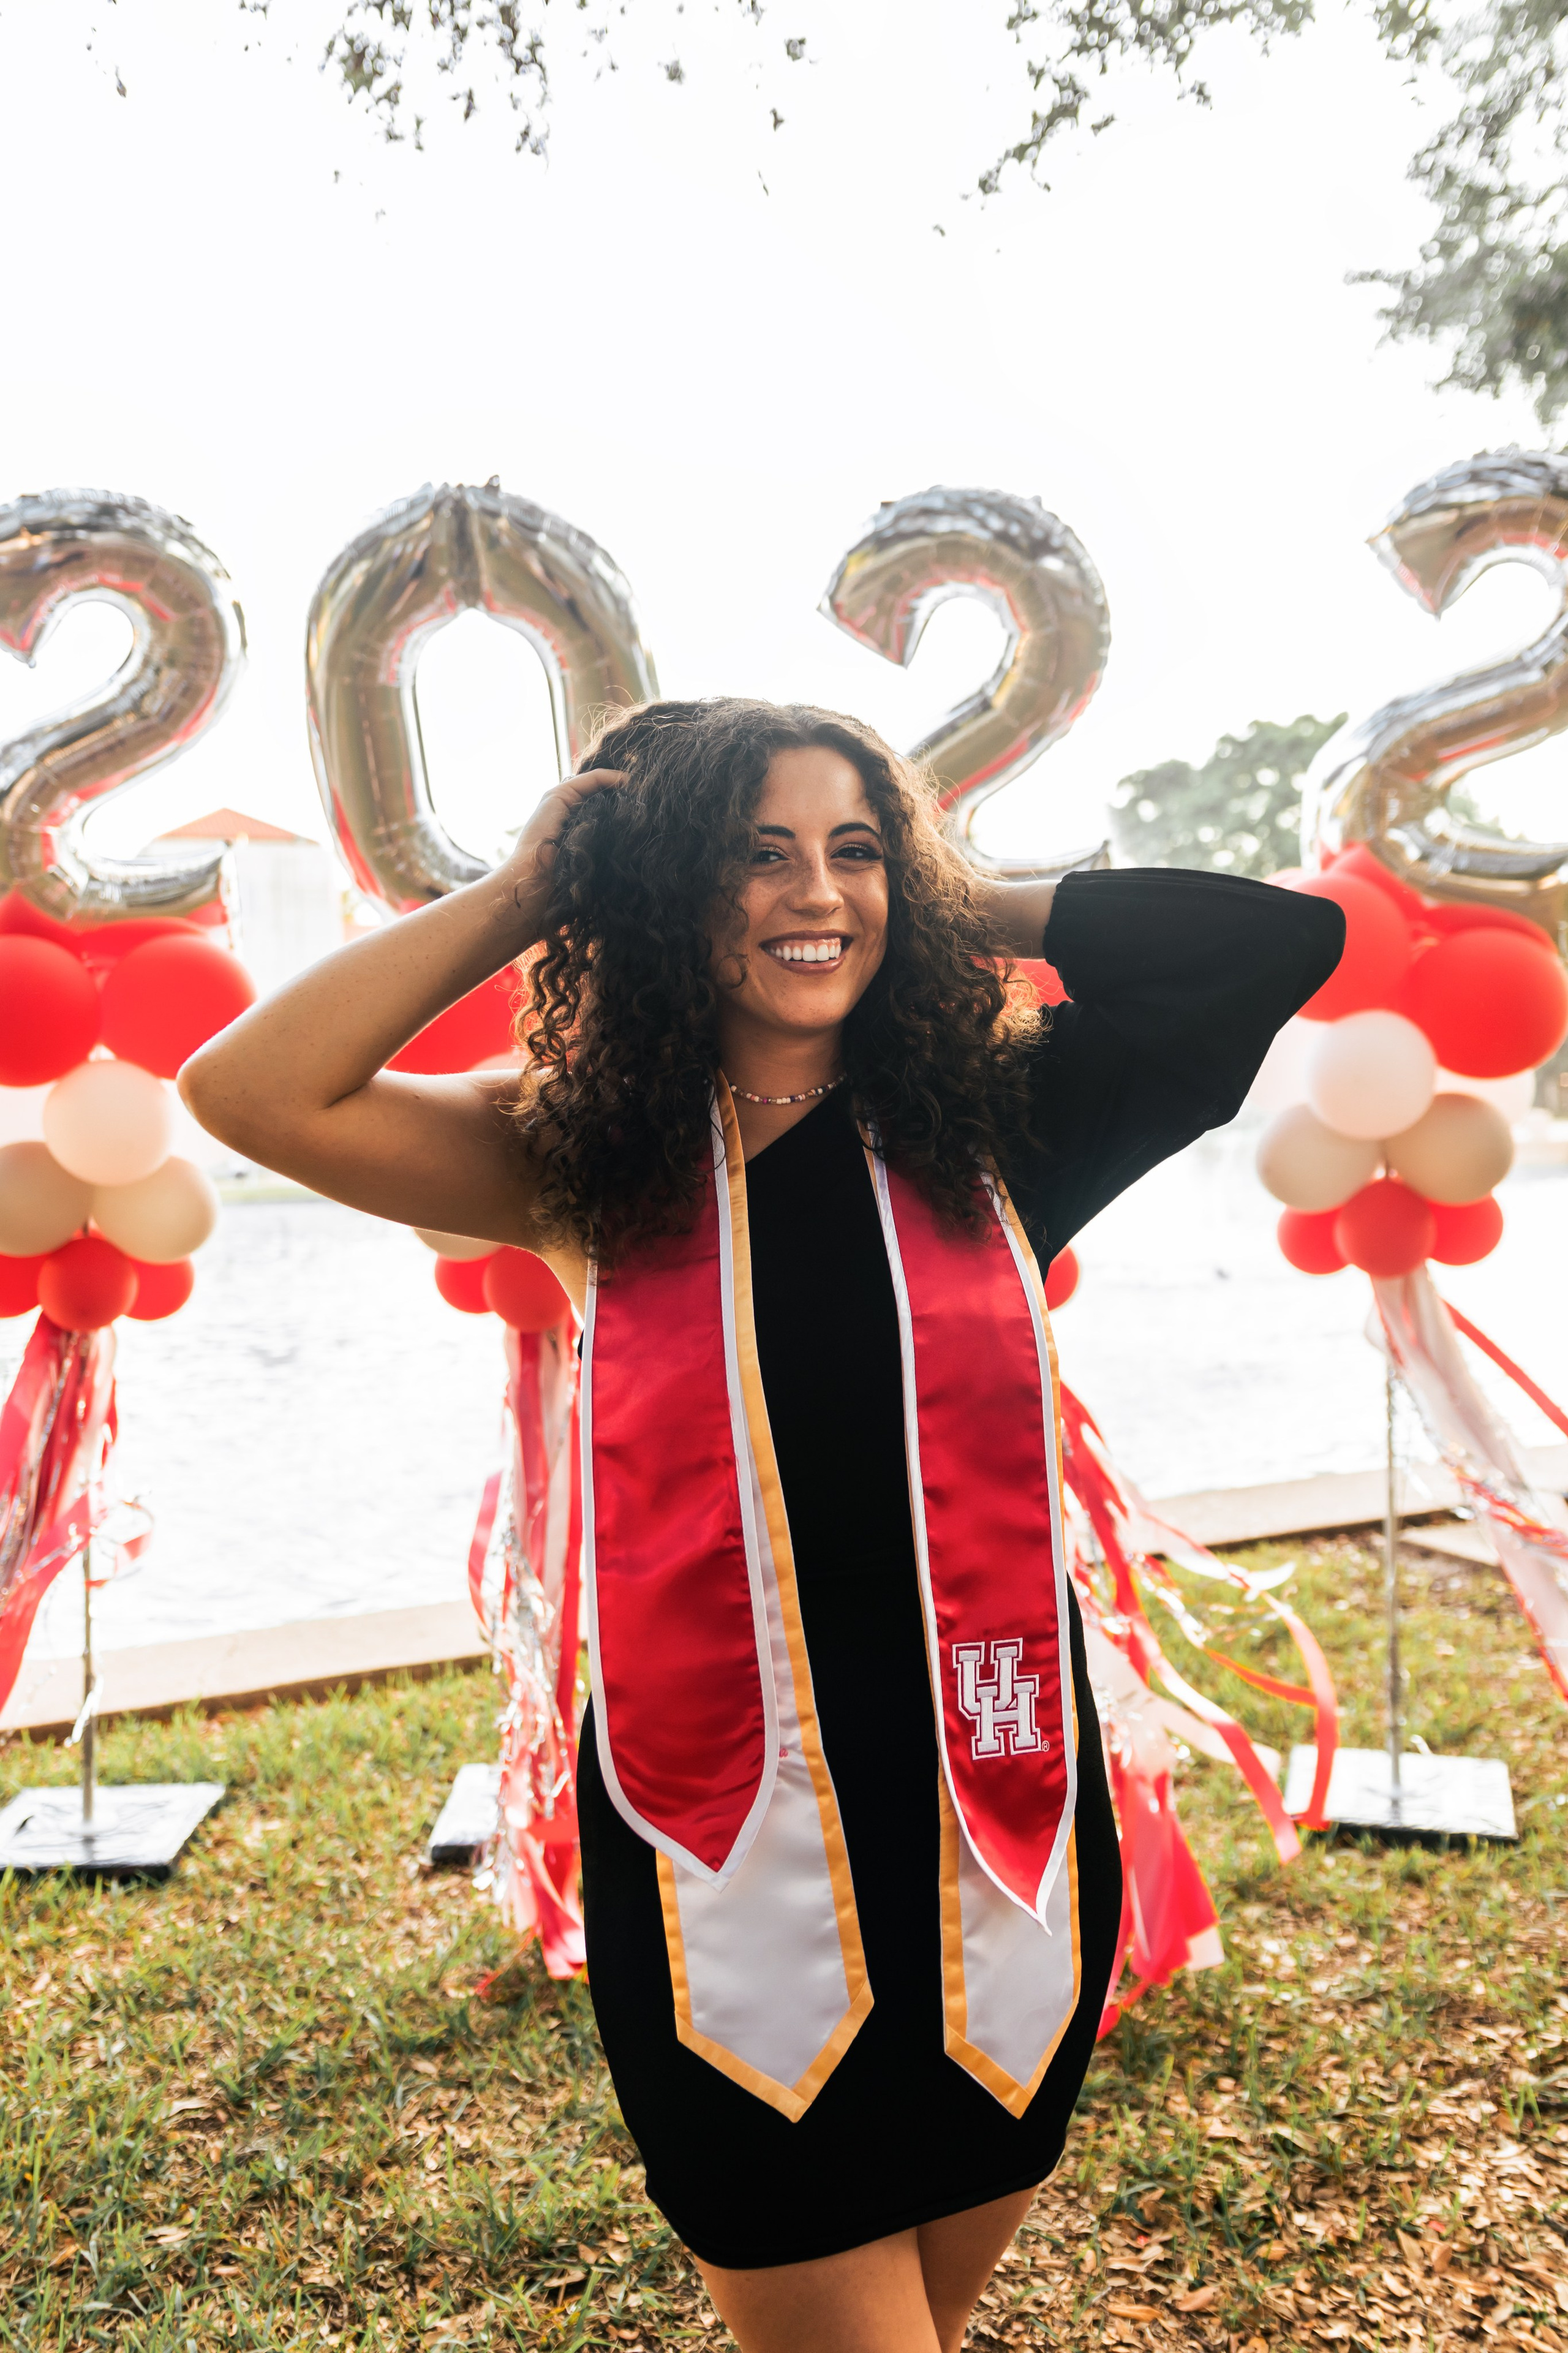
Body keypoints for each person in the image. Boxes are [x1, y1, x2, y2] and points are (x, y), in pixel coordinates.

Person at [181, 697, 1343, 2353]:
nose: (819, 894)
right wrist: (530, 889)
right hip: (720, 1845)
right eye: (758, 856)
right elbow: (250, 1087)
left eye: (853, 851)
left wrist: (948, 889)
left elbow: (1273, 947)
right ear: (662, 888)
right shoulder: (576, 1153)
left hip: (999, 1827)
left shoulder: (997, 1120)